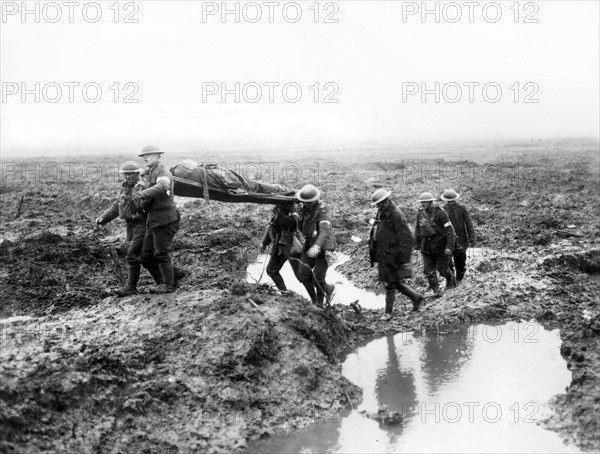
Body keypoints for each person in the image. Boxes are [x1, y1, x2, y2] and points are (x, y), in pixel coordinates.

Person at [96, 161, 152, 296]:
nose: (128, 177)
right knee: (147, 257)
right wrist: (104, 218)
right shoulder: (125, 188)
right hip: (132, 226)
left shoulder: (142, 187)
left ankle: (131, 287)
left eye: (131, 174)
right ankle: (170, 277)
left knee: (133, 255)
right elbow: (118, 205)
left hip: (143, 224)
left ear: (137, 174)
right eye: (126, 174)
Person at [132, 146, 181, 294]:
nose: (145, 158)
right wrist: (143, 187)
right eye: (144, 156)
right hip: (153, 220)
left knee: (161, 254)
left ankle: (168, 285)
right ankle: (167, 279)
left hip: (165, 219)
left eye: (149, 155)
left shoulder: (162, 171)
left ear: (158, 157)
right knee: (146, 256)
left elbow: (164, 185)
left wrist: (144, 193)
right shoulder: (150, 173)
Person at [369, 189, 424, 320]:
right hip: (384, 253)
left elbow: (408, 238)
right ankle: (416, 297)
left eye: (380, 204)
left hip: (393, 255)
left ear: (386, 201)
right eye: (377, 204)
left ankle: (388, 312)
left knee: (390, 283)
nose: (378, 206)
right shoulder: (382, 212)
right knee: (394, 282)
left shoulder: (396, 215)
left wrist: (404, 260)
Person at [295, 184, 335, 308]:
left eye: (309, 202)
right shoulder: (304, 208)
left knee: (318, 276)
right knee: (302, 273)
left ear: (315, 199)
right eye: (304, 202)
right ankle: (326, 289)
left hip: (323, 247)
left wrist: (317, 247)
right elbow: (301, 227)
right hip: (309, 244)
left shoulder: (322, 209)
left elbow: (324, 231)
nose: (306, 204)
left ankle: (319, 304)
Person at [415, 192, 456, 298]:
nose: (422, 204)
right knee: (428, 271)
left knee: (442, 270)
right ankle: (437, 290)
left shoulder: (440, 213)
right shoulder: (420, 213)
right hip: (426, 247)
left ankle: (450, 279)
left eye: (425, 202)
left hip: (440, 247)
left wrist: (449, 247)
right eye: (421, 202)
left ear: (430, 202)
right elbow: (418, 229)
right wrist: (416, 243)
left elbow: (450, 230)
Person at [261, 202, 302, 291]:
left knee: (301, 276)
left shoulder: (293, 215)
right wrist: (264, 243)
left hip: (291, 248)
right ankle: (284, 292)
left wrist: (279, 213)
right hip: (279, 249)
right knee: (271, 270)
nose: (277, 207)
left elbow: (291, 223)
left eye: (280, 205)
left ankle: (325, 289)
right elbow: (271, 228)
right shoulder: (277, 216)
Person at [441, 189, 476, 283]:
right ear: (446, 201)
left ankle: (459, 278)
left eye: (452, 201)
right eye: (449, 201)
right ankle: (451, 280)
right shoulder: (443, 209)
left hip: (461, 239)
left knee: (460, 261)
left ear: (455, 199)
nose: (451, 203)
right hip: (447, 239)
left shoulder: (462, 208)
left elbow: (469, 223)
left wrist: (472, 238)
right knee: (447, 261)